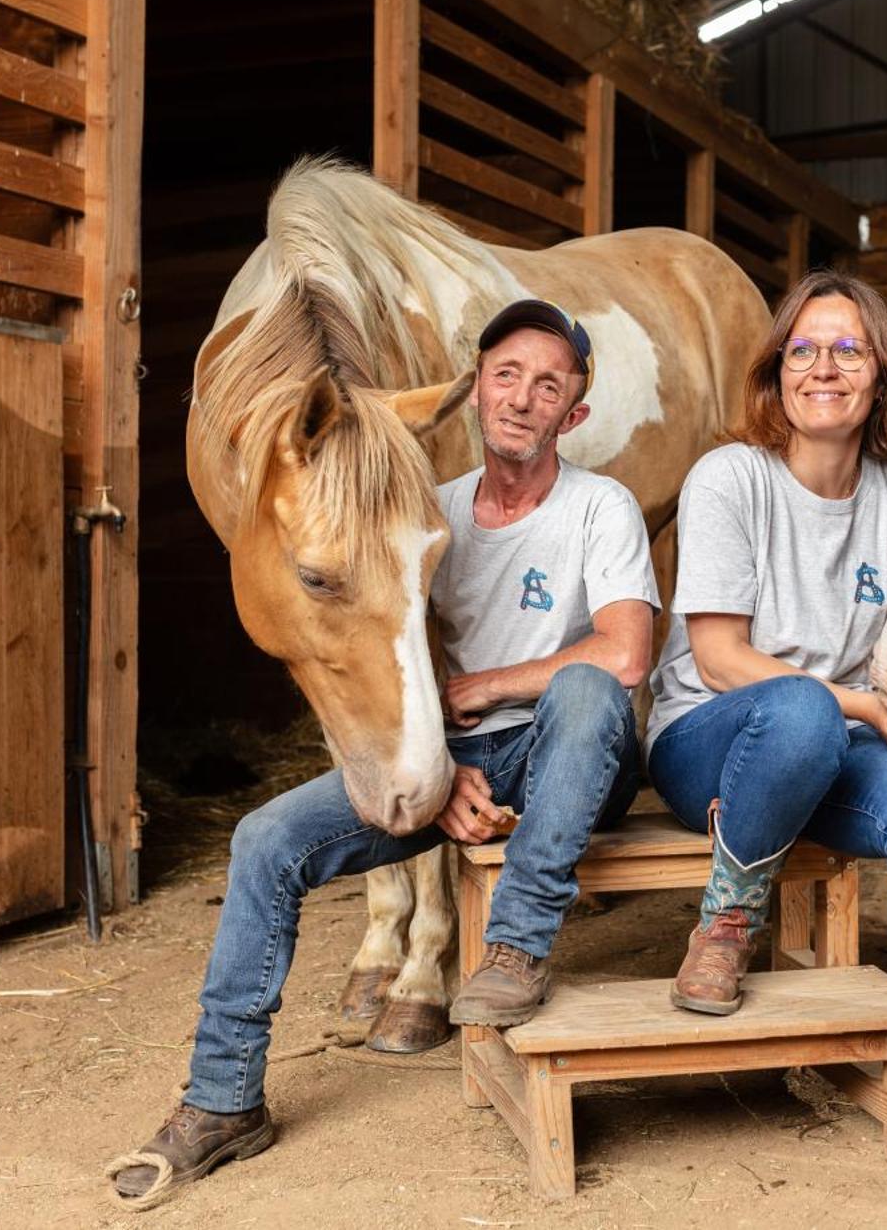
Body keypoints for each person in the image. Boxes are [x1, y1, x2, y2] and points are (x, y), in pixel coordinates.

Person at [107, 299, 657, 1210]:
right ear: (476, 390)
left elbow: (626, 653)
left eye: (548, 383)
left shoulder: (601, 506)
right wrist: (440, 768)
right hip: (463, 762)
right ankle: (223, 1096)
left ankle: (517, 947)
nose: (522, 398)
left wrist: (480, 693)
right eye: (506, 375)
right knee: (263, 841)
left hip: (575, 757)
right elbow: (394, 655)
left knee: (590, 688)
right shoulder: (418, 509)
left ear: (576, 411)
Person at [645, 271, 887, 1230]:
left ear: (882, 377)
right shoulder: (729, 478)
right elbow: (717, 655)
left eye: (848, 349)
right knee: (799, 711)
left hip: (836, 738)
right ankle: (727, 923)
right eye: (804, 349)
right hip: (714, 740)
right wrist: (871, 706)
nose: (824, 366)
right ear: (777, 372)